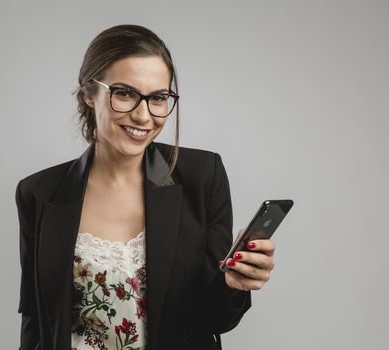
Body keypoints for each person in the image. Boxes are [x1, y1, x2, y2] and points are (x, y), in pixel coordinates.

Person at [15, 24, 276, 350]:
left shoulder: (202, 177)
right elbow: (37, 322)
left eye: (158, 98)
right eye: (124, 93)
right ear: (88, 93)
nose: (143, 115)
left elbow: (210, 320)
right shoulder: (39, 193)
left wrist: (233, 285)